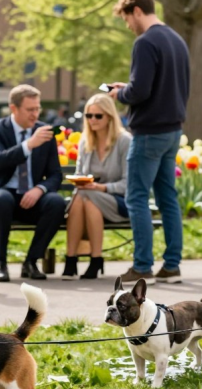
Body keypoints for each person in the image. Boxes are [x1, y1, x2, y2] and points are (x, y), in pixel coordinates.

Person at [108, 0, 189, 286]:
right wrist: (128, 89)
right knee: (168, 198)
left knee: (136, 197)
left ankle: (142, 266)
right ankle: (172, 265)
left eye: (127, 19)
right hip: (172, 130)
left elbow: (140, 91)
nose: (128, 25)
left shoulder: (145, 43)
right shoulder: (177, 40)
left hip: (149, 131)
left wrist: (121, 93)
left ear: (137, 11)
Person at [0, 85, 67, 282]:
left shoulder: (44, 132)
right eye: (29, 109)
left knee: (56, 202)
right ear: (13, 108)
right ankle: (0, 263)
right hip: (3, 195)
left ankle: (31, 262)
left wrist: (40, 189)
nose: (35, 114)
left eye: (37, 109)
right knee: (1, 199)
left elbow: (56, 174)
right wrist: (29, 144)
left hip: (32, 197)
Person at [62, 94, 132, 280]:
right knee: (83, 195)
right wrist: (83, 182)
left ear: (109, 116)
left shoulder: (124, 141)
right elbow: (79, 174)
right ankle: (89, 259)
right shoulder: (85, 141)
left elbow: (128, 184)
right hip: (88, 199)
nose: (92, 120)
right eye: (88, 116)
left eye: (98, 116)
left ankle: (73, 260)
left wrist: (101, 188)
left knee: (86, 195)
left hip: (118, 201)